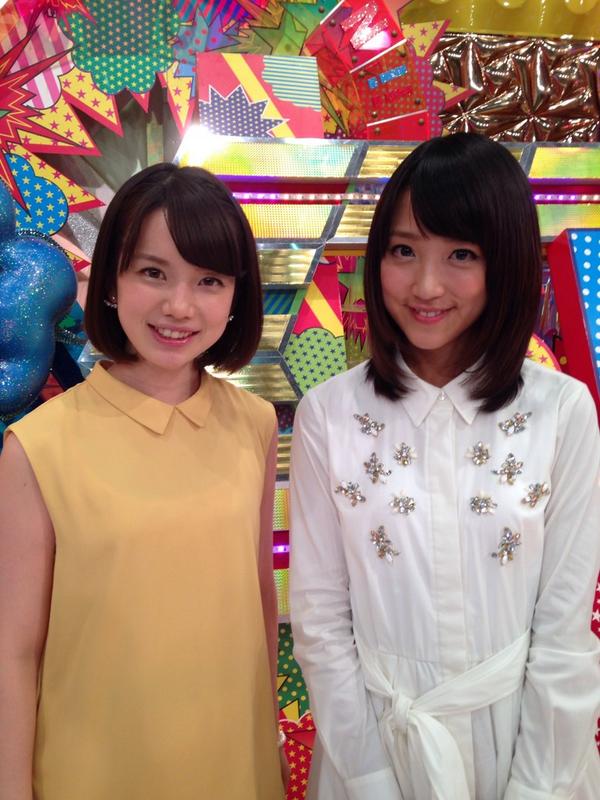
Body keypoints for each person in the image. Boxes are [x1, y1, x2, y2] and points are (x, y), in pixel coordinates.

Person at [289, 132, 600, 800]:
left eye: (462, 254)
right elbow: (320, 625)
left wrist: (537, 787)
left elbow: (564, 632)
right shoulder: (329, 414)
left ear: (505, 263)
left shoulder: (561, 411)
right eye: (404, 251)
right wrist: (370, 781)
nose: (425, 286)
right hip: (376, 745)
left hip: (524, 744)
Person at [0, 163, 287, 800]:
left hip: (233, 766)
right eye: (153, 272)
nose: (179, 306)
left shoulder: (255, 422)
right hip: (93, 771)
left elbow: (259, 597)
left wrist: (267, 738)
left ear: (236, 295)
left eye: (209, 280)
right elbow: (12, 651)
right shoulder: (39, 446)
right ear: (111, 281)